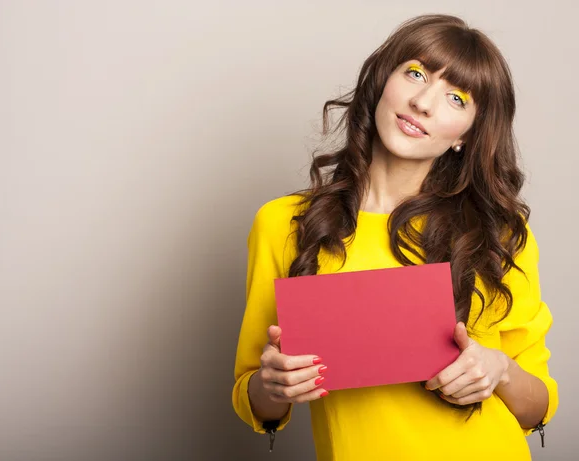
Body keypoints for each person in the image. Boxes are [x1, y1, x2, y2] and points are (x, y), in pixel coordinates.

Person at [231, 14, 558, 461]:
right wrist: (273, 384)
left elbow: (536, 409)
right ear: (385, 80)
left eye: (456, 98)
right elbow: (256, 399)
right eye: (416, 73)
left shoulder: (496, 235)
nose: (424, 102)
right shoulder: (284, 224)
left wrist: (499, 371)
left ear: (466, 136)